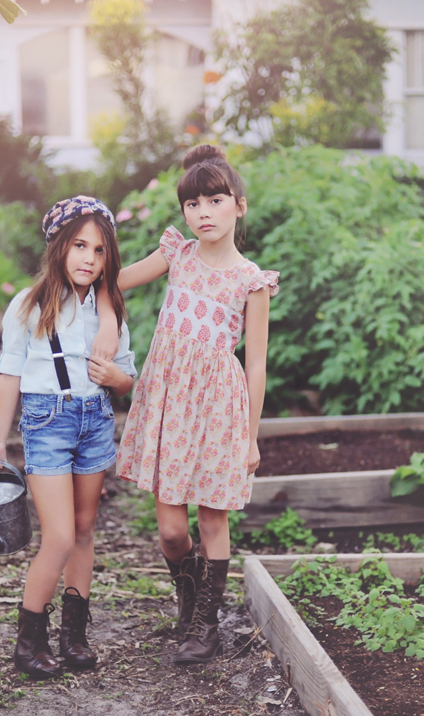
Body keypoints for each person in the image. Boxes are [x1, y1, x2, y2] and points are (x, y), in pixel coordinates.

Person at [96, 144, 278, 664]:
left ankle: (205, 626)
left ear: (238, 206)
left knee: (212, 521)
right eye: (193, 204)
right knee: (173, 531)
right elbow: (112, 283)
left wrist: (250, 436)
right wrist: (106, 319)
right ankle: (190, 594)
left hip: (219, 404)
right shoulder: (176, 254)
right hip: (168, 397)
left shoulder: (252, 281)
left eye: (215, 201)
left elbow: (258, 363)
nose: (203, 213)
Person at [0, 196, 136, 680]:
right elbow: (10, 376)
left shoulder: (110, 313)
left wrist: (114, 378)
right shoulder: (28, 306)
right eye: (80, 246)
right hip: (47, 424)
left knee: (84, 531)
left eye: (100, 250)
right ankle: (29, 641)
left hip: (96, 422)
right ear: (59, 247)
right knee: (60, 536)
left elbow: (130, 379)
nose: (90, 258)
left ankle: (74, 635)